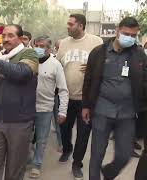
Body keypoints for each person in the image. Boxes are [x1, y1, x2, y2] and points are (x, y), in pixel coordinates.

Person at [82, 16, 147, 180]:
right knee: (97, 155)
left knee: (125, 155)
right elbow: (88, 80)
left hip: (127, 114)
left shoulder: (139, 55)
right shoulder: (99, 52)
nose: (130, 38)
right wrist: (85, 106)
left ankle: (109, 172)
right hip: (102, 111)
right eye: (126, 34)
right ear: (117, 31)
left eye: (133, 36)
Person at [0, 24, 39, 180]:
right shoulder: (0, 57)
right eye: (4, 35)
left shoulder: (29, 54)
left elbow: (22, 73)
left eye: (11, 35)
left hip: (19, 122)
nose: (5, 39)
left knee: (14, 170)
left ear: (20, 38)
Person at [56, 14, 103, 179]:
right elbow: (58, 66)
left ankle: (77, 163)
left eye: (70, 24)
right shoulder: (63, 43)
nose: (67, 26)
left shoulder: (96, 41)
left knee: (83, 133)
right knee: (64, 129)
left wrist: (93, 67)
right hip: (66, 97)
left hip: (87, 100)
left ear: (81, 26)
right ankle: (67, 149)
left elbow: (105, 65)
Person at [29, 36, 69, 179]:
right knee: (25, 136)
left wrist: (62, 111)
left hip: (45, 108)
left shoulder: (55, 64)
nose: (39, 48)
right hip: (26, 107)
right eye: (37, 45)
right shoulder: (29, 61)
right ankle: (28, 157)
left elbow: (63, 90)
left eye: (42, 46)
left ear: (49, 48)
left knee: (41, 138)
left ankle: (37, 165)